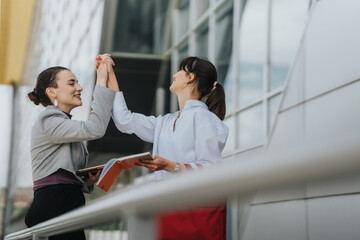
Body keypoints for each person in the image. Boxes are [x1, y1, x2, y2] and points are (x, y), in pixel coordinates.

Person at [103, 56, 229, 240]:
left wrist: (171, 166)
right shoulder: (165, 121)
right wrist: (109, 75)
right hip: (168, 208)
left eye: (180, 70)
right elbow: (125, 121)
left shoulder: (206, 120)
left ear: (190, 77)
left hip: (196, 213)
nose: (174, 74)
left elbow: (211, 169)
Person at [25, 54, 115, 240]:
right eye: (72, 83)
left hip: (64, 205)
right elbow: (94, 129)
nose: (79, 88)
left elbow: (61, 174)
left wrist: (86, 182)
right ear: (52, 92)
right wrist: (101, 80)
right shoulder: (49, 119)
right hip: (54, 207)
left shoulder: (63, 124)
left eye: (77, 83)